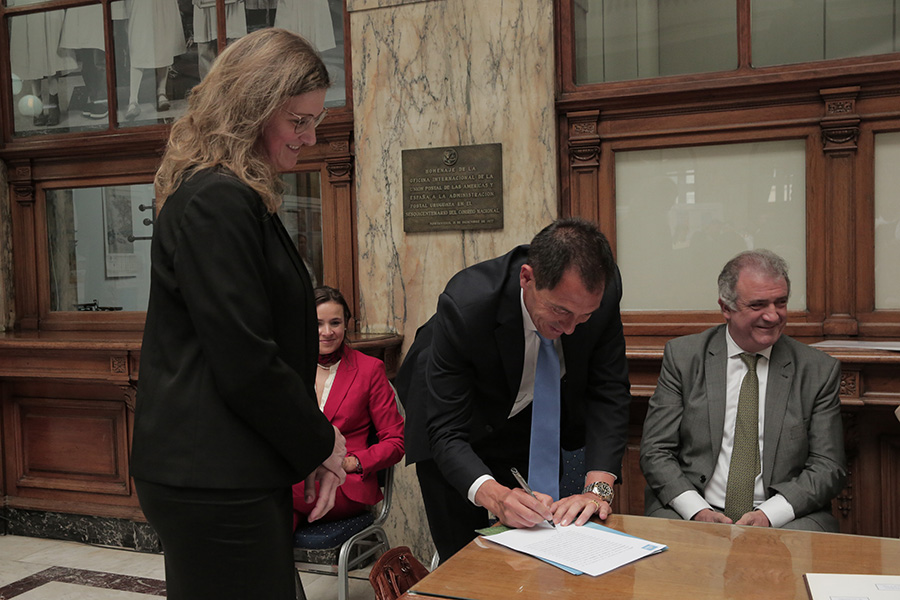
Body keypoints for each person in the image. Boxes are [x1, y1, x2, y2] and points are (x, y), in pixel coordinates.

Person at [130, 28, 343, 600]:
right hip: (211, 476)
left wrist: (312, 445)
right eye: (298, 120)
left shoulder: (236, 195)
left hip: (227, 469)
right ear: (250, 110)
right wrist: (322, 442)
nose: (310, 137)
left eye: (314, 120)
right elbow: (245, 357)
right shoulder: (217, 199)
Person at [395, 217, 632, 562]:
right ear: (527, 278)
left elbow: (609, 391)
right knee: (467, 561)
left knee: (533, 543)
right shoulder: (467, 304)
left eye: (582, 318)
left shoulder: (602, 294)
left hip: (525, 413)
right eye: (560, 311)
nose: (569, 329)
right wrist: (492, 495)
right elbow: (445, 430)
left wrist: (598, 490)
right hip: (450, 421)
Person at [640, 249, 847, 531]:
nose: (773, 316)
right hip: (694, 507)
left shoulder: (817, 370)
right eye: (758, 305)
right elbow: (656, 450)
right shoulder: (685, 358)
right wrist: (697, 509)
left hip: (785, 516)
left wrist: (769, 515)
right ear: (726, 307)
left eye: (781, 302)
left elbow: (828, 466)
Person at [292, 286, 405, 528]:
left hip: (344, 483)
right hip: (295, 479)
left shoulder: (369, 370)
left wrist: (352, 462)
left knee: (265, 509)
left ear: (346, 324)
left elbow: (395, 442)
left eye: (335, 323)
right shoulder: (290, 368)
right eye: (318, 323)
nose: (326, 332)